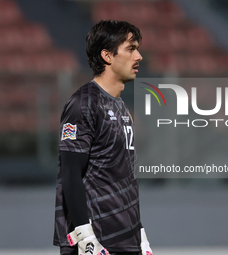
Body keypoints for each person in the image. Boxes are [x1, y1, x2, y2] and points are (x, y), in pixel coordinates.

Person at [53, 20, 153, 255]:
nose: (138, 56)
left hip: (125, 239)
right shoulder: (84, 103)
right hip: (97, 242)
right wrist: (86, 238)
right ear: (107, 56)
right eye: (130, 49)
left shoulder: (121, 108)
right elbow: (70, 174)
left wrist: (140, 234)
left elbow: (124, 176)